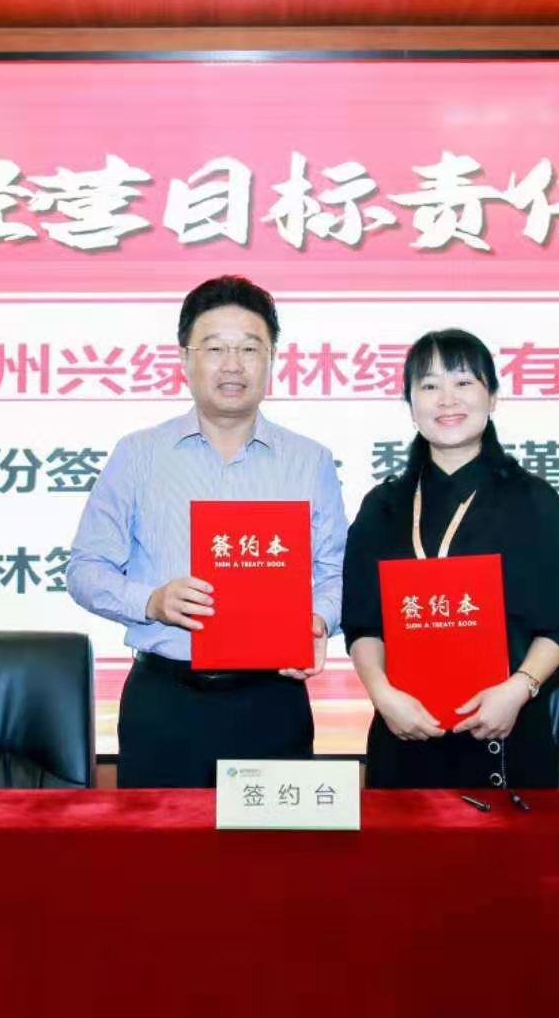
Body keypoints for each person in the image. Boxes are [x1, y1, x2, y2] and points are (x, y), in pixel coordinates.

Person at [66, 275, 348, 788]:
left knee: (274, 843)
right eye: (215, 348)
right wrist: (151, 601)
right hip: (165, 702)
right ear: (184, 359)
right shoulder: (138, 455)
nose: (233, 365)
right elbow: (85, 569)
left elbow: (337, 573)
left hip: (272, 702)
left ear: (272, 359)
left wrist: (318, 621)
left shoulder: (310, 461)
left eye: (250, 349)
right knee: (160, 842)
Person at [342, 329, 559, 791]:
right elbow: (363, 626)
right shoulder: (383, 507)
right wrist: (382, 695)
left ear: (491, 397)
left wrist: (518, 690)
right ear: (410, 403)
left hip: (508, 731)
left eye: (463, 382)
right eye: (429, 385)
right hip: (404, 733)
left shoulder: (533, 501)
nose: (446, 399)